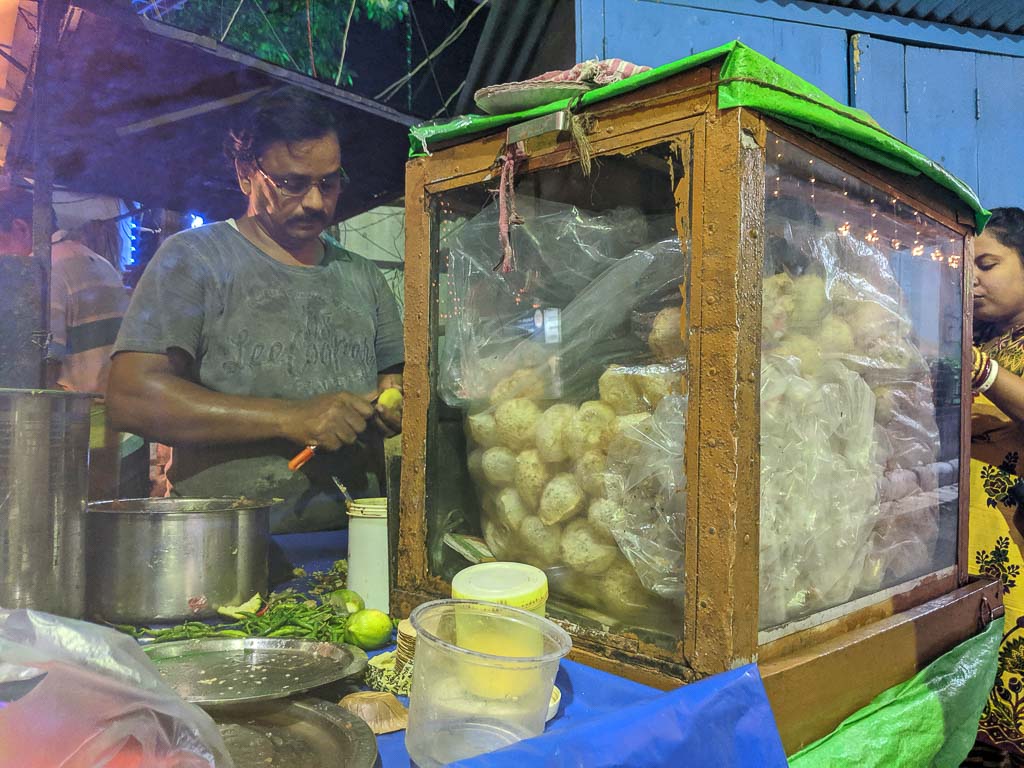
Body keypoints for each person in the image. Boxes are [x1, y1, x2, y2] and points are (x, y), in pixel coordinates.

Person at [106, 86, 404, 533]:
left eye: (329, 182)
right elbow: (130, 398)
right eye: (292, 183)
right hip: (223, 545)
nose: (316, 202)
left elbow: (396, 383)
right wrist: (291, 417)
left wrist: (395, 404)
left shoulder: (363, 276)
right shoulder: (195, 258)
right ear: (246, 173)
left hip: (357, 537)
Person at [963, 207, 1024, 767]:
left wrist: (983, 372)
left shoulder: (985, 354)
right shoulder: (968, 336)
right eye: (965, 265)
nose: (972, 278)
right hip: (966, 538)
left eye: (987, 263)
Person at [0, 186, 129, 394]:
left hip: (74, 415)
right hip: (108, 406)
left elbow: (43, 364)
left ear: (21, 228)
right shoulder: (100, 261)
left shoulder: (42, 271)